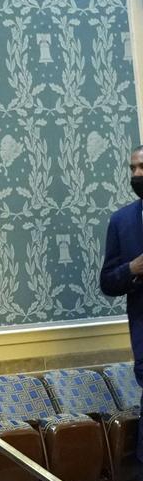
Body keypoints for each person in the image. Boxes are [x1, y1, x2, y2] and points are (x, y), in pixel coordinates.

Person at [101, 145, 143, 461]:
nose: (136, 175)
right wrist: (132, 269)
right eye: (132, 169)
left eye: (141, 168)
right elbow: (107, 282)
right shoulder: (122, 221)